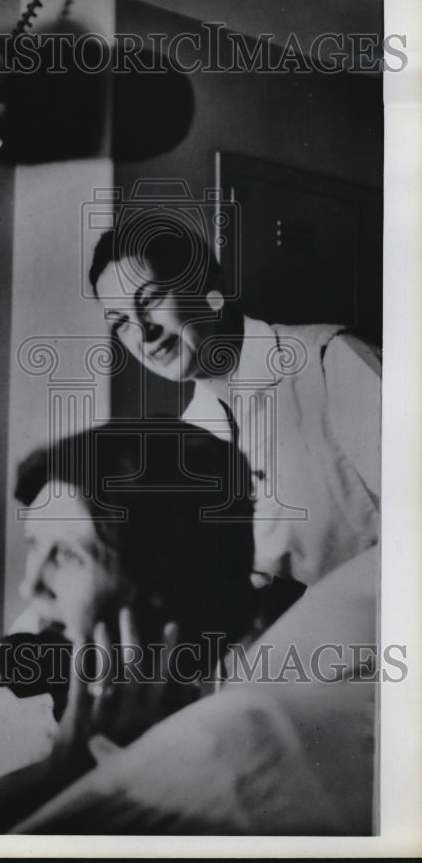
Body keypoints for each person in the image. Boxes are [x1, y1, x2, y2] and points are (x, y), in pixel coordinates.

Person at [0, 420, 258, 831]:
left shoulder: (236, 746)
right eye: (35, 545)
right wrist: (59, 769)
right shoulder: (42, 635)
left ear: (164, 580)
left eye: (67, 556)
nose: (30, 586)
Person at [89, 222, 380, 595]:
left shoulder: (329, 360)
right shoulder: (190, 437)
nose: (143, 333)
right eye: (121, 323)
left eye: (150, 300)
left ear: (209, 283)